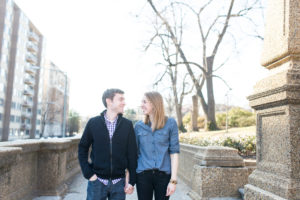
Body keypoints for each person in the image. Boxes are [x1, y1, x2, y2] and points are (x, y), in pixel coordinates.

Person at [78, 88, 137, 200]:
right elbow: (82, 148)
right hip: (97, 181)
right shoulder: (93, 123)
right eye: (120, 99)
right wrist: (88, 173)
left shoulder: (127, 125)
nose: (124, 103)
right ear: (109, 101)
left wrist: (132, 181)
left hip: (119, 183)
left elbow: (132, 154)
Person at [135, 91, 180, 200]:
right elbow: (134, 153)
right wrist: (129, 178)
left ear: (154, 104)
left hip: (163, 176)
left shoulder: (170, 123)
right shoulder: (138, 126)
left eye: (144, 102)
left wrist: (173, 181)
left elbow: (174, 152)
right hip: (143, 176)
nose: (141, 105)